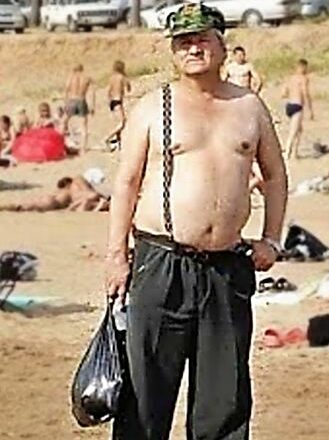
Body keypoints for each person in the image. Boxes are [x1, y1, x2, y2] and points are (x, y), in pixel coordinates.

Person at [105, 4, 288, 440]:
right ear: (173, 51)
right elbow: (126, 182)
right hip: (161, 262)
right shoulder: (153, 107)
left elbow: (276, 175)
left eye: (202, 38)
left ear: (222, 45)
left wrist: (272, 239)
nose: (193, 48)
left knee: (224, 399)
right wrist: (116, 256)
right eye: (183, 42)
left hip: (226, 267)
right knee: (146, 392)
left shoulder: (249, 106)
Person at [0, 176, 108, 212]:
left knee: (22, 206)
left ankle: (4, 207)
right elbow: (92, 195)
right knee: (22, 207)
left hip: (50, 200)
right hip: (53, 202)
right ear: (68, 184)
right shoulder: (75, 186)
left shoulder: (70, 192)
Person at [281, 58, 314, 160]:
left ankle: (295, 153)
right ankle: (287, 153)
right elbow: (305, 93)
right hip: (297, 106)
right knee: (293, 131)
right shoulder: (303, 79)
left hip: (290, 105)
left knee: (299, 130)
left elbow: (283, 93)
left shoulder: (291, 78)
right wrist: (310, 109)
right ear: (303, 67)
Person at [64, 64, 95, 153]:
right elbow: (92, 92)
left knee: (64, 122)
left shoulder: (70, 78)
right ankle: (83, 149)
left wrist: (65, 103)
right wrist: (92, 105)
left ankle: (61, 143)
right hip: (81, 100)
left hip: (72, 100)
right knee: (83, 126)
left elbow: (66, 91)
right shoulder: (87, 78)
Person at [104, 60, 132, 150]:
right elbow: (129, 88)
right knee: (122, 123)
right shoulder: (122, 77)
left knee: (118, 122)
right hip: (118, 100)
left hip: (112, 101)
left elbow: (108, 91)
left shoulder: (112, 78)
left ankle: (120, 144)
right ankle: (107, 138)